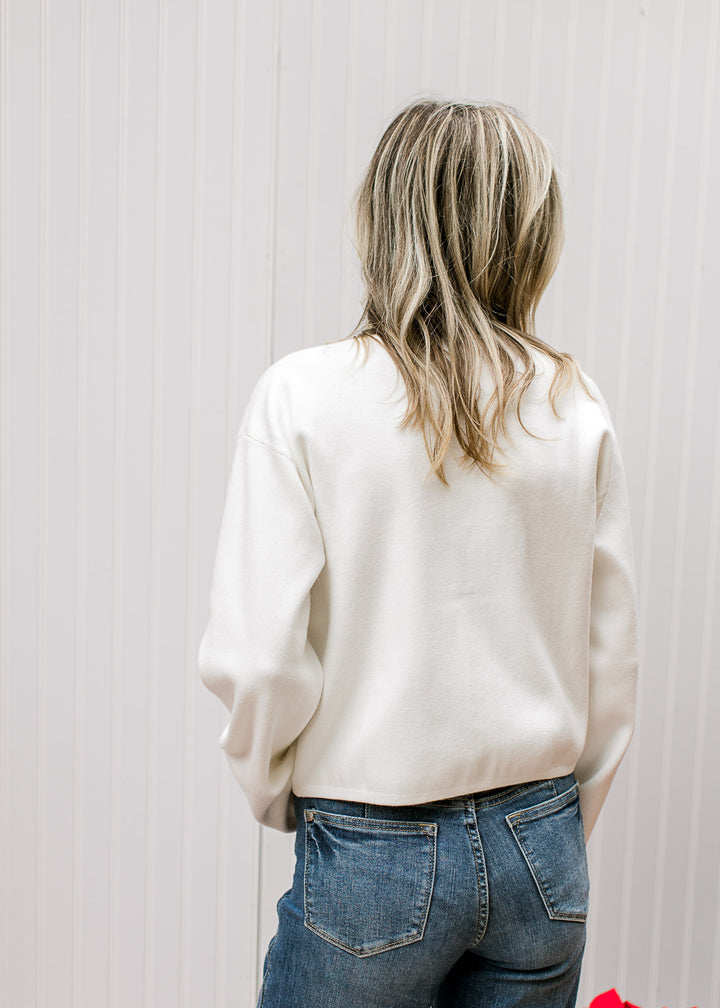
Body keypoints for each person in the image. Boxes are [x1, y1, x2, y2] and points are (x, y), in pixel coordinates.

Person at [197, 98, 639, 1008]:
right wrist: (555, 822)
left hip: (370, 844)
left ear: (384, 218)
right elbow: (612, 657)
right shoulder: (573, 401)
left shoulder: (306, 396)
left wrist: (288, 799)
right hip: (541, 842)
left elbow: (260, 658)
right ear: (527, 227)